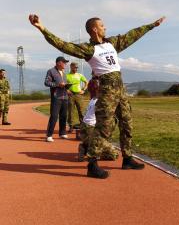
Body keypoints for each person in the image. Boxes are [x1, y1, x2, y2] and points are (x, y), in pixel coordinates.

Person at [29, 13, 166, 177]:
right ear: (94, 29)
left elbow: (132, 35)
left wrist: (151, 25)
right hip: (107, 90)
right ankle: (92, 164)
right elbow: (62, 45)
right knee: (104, 128)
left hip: (120, 90)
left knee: (127, 124)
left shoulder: (112, 43)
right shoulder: (89, 49)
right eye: (102, 25)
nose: (105, 27)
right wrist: (42, 28)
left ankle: (127, 158)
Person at [78, 77, 118, 162]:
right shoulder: (100, 101)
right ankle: (87, 149)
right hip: (90, 129)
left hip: (85, 128)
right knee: (113, 154)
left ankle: (86, 146)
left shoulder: (93, 99)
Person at [44, 56, 70, 142]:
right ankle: (49, 135)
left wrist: (67, 88)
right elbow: (47, 83)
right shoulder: (51, 71)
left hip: (65, 97)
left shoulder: (64, 73)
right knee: (54, 116)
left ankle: (62, 133)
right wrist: (58, 85)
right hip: (56, 98)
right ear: (59, 63)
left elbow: (64, 84)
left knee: (63, 116)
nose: (65, 64)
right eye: (64, 62)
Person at [66, 62, 88, 132]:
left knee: (81, 110)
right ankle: (71, 126)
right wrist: (66, 90)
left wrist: (83, 90)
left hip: (79, 94)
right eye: (75, 67)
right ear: (71, 67)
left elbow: (86, 82)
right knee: (71, 111)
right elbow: (64, 84)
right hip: (71, 95)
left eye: (77, 67)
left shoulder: (79, 75)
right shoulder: (67, 76)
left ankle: (82, 125)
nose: (76, 69)